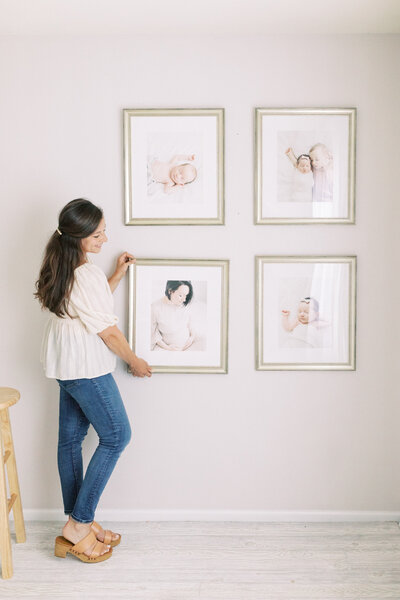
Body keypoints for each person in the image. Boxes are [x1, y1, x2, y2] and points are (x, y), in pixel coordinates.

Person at [35, 198, 152, 564]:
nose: (105, 238)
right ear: (79, 237)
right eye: (98, 234)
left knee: (70, 442)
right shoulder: (83, 273)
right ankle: (78, 523)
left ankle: (77, 524)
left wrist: (115, 275)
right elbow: (107, 330)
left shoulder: (66, 264)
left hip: (66, 365)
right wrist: (135, 360)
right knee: (118, 436)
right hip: (86, 366)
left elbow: (89, 307)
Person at [151, 280, 196, 351]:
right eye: (180, 295)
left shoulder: (184, 304)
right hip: (167, 348)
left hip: (189, 345)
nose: (184, 300)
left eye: (186, 295)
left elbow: (190, 324)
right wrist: (169, 348)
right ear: (170, 291)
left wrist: (192, 338)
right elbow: (153, 333)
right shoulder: (155, 307)